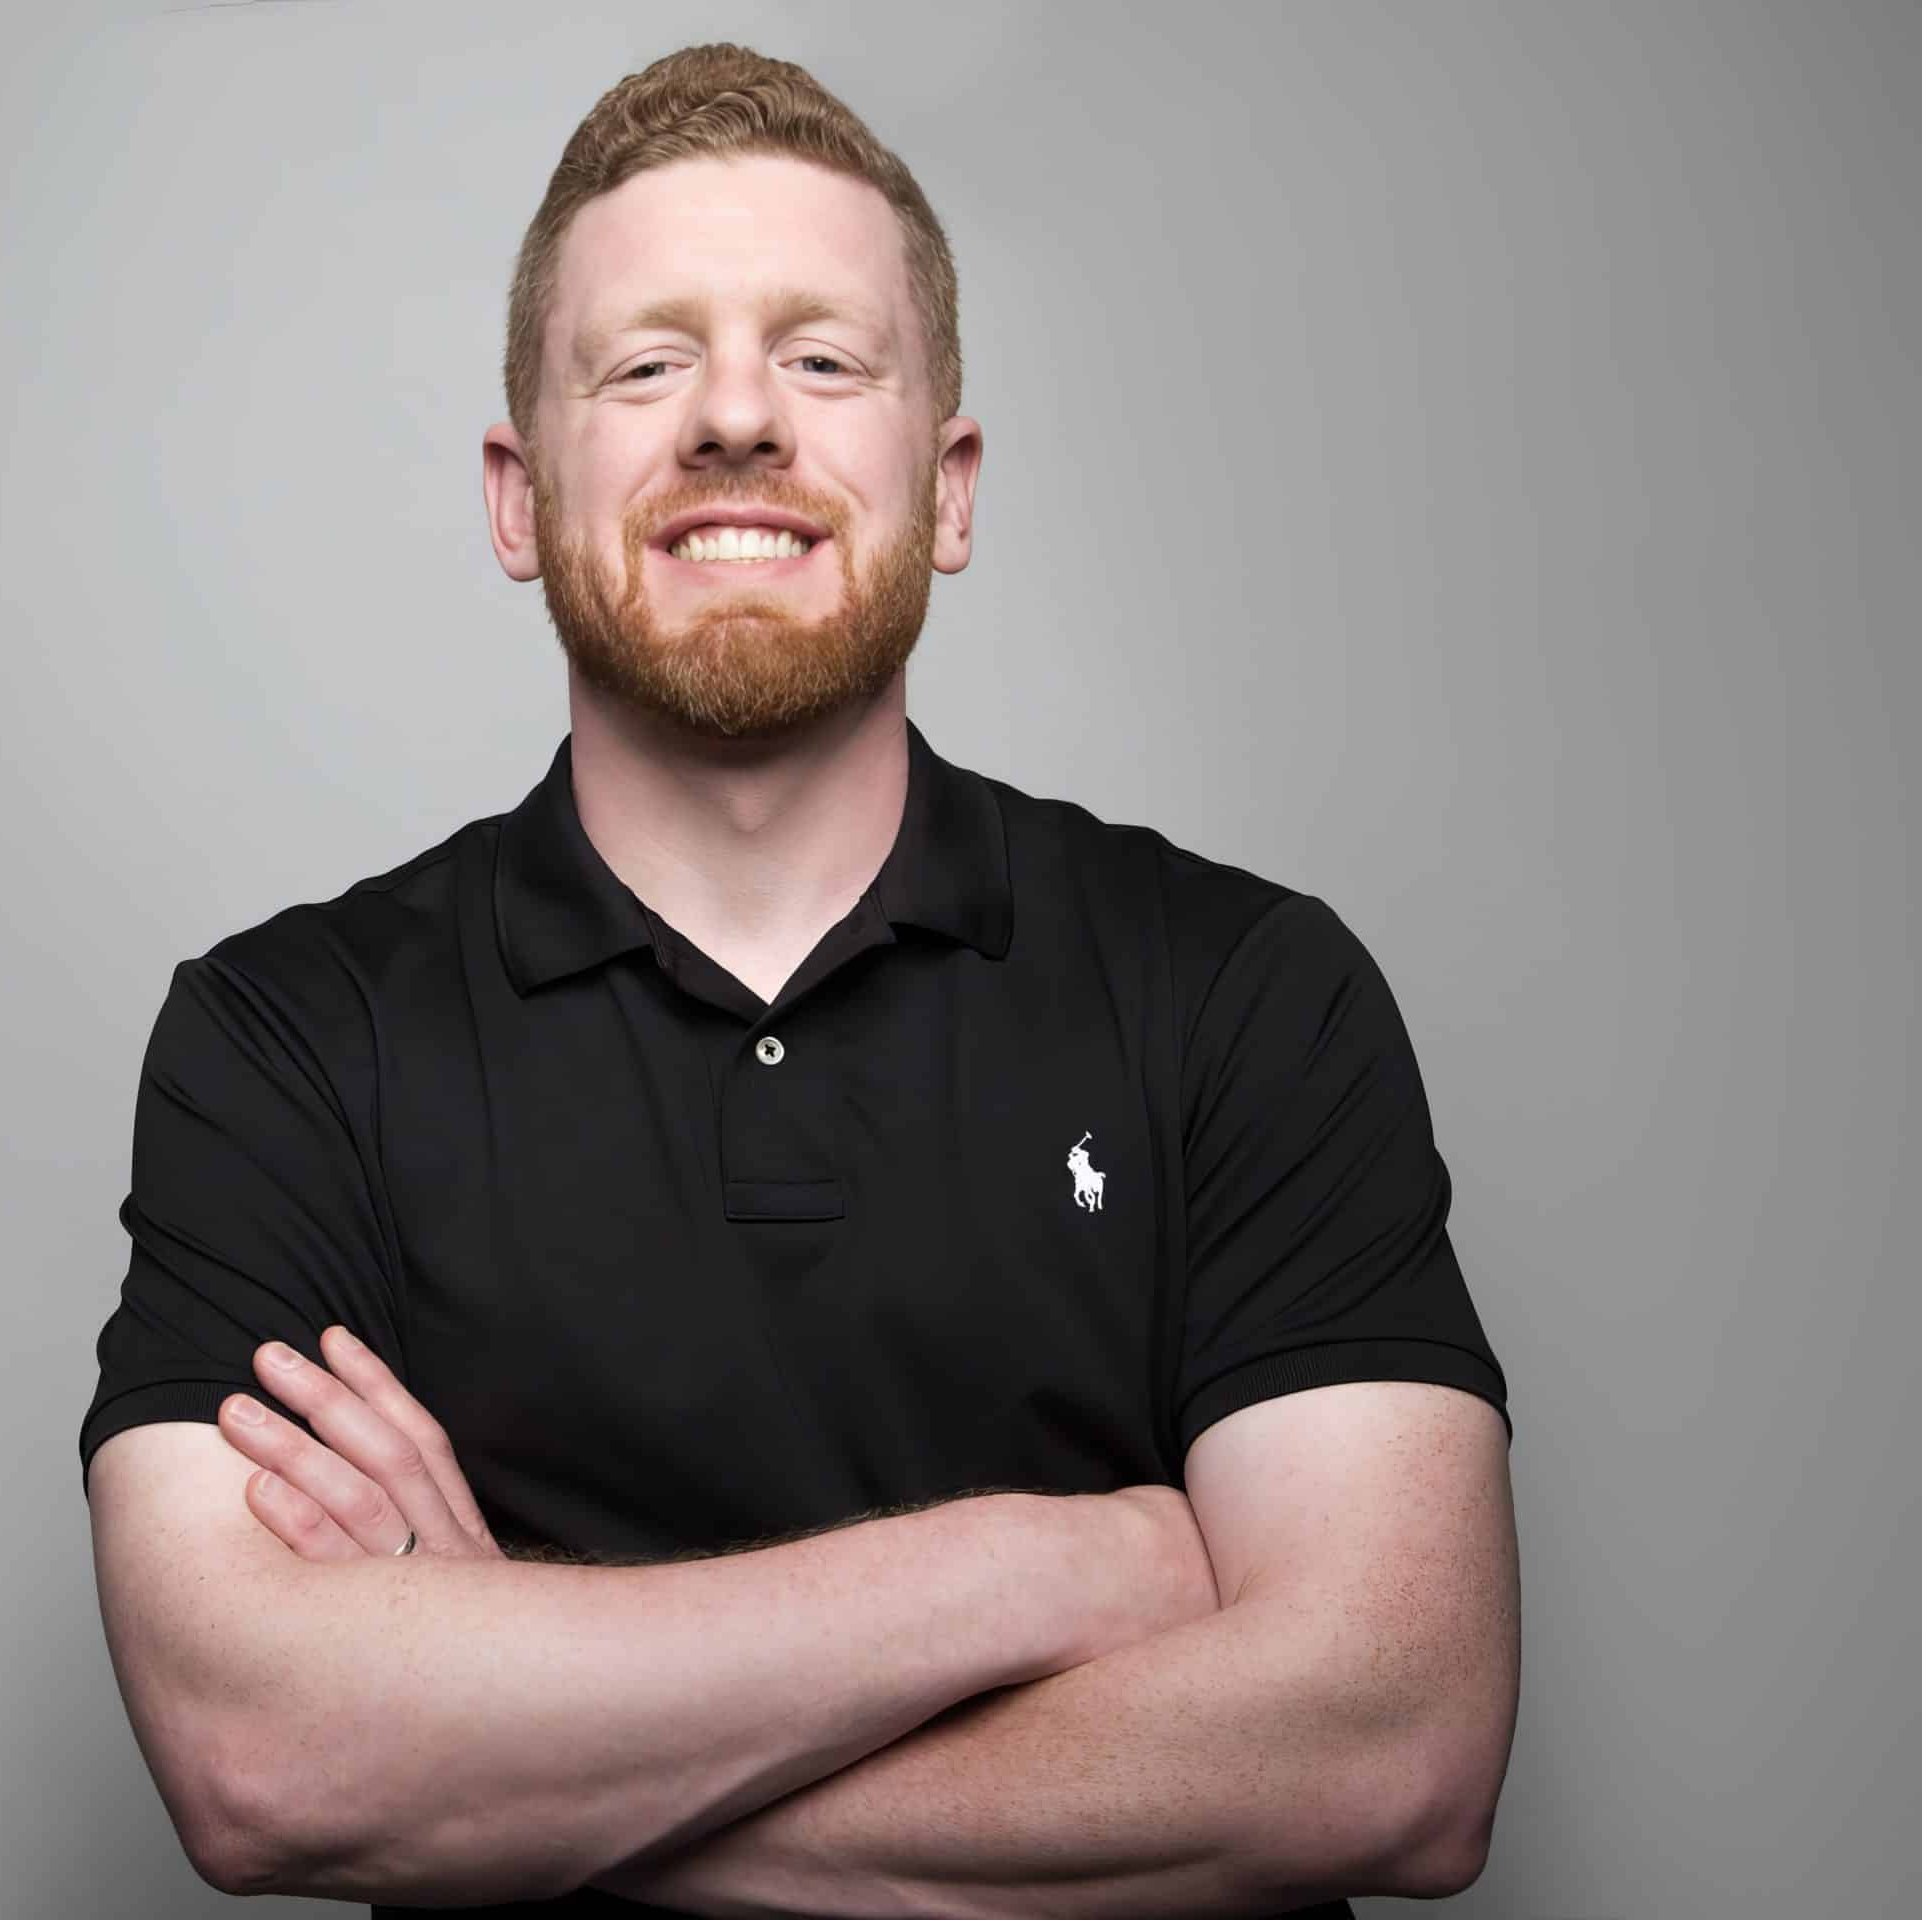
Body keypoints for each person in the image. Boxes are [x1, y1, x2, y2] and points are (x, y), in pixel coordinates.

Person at [79, 42, 1519, 1920]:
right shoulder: (285, 1043)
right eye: (646, 366)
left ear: (951, 487)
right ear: (518, 500)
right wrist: (1041, 1569)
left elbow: (1394, 1754)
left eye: (824, 361)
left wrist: (520, 1754)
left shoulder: (1247, 993)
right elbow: (261, 1758)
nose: (737, 419)